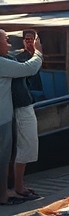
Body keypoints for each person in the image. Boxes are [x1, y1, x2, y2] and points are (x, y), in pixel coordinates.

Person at [0, 30, 42, 205]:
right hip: (3, 118)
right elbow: (29, 68)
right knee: (3, 156)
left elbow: (14, 57)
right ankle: (4, 195)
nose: (9, 43)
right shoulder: (2, 63)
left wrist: (29, 51)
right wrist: (39, 52)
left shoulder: (6, 59)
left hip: (6, 116)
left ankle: (6, 190)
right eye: (6, 39)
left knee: (6, 155)